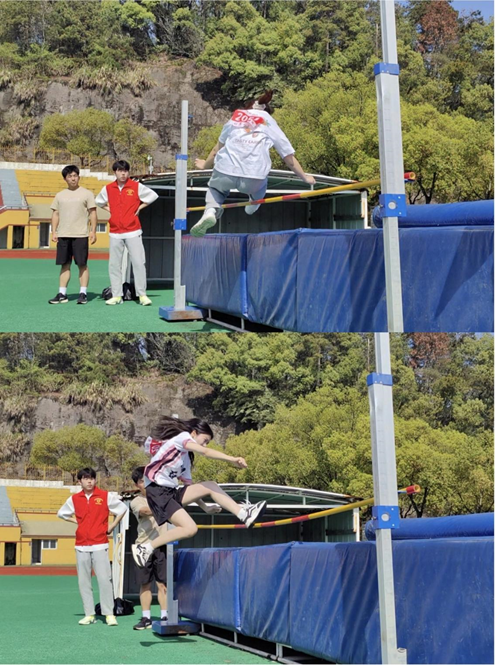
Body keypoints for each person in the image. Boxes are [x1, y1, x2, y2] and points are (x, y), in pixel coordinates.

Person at [131, 416, 267, 568]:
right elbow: (206, 452)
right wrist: (232, 459)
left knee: (208, 489)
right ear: (194, 433)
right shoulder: (182, 437)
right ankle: (146, 548)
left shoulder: (186, 459)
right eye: (205, 440)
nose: (205, 444)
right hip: (157, 490)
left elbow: (190, 487)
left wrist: (205, 507)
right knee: (190, 527)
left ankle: (244, 514)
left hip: (169, 492)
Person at [191, 90, 316, 237]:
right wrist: (305, 177)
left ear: (248, 107)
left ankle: (210, 210)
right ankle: (254, 202)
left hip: (226, 170)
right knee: (261, 186)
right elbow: (288, 158)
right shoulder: (269, 122)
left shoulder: (236, 117)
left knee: (215, 189)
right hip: (253, 176)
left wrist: (204, 165)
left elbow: (216, 149)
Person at [57, 467, 128, 626]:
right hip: (81, 545)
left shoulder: (104, 496)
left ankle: (109, 614)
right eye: (85, 478)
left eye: (92, 478)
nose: (89, 481)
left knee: (104, 580)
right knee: (84, 582)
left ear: (95, 480)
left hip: (100, 543)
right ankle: (89, 614)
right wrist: (77, 522)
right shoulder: (74, 499)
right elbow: (61, 513)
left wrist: (112, 525)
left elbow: (122, 509)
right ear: (80, 481)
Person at [95, 160, 158, 306]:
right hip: (115, 232)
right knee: (114, 265)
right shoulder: (108, 188)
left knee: (139, 263)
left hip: (133, 230)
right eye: (120, 171)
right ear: (115, 172)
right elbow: (98, 201)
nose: (123, 173)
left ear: (128, 172)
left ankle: (142, 295)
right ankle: (117, 295)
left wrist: (140, 207)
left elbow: (153, 196)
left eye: (125, 171)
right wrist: (110, 210)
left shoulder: (136, 186)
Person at [130, 466, 173, 630]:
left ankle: (165, 616)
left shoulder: (163, 497)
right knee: (145, 584)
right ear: (137, 485)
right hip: (143, 548)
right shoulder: (136, 501)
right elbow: (146, 511)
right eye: (142, 481)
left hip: (162, 546)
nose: (146, 484)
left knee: (163, 584)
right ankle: (146, 618)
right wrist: (166, 505)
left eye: (149, 480)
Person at [48, 165, 97, 305]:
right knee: (65, 265)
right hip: (63, 234)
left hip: (81, 235)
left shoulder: (87, 194)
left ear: (79, 177)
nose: (73, 178)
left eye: (75, 175)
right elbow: (55, 214)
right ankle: (62, 294)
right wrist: (54, 231)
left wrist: (93, 231)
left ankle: (83, 293)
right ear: (65, 179)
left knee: (82, 264)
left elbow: (93, 213)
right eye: (70, 176)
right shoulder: (60, 195)